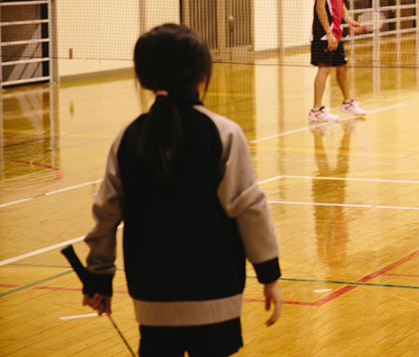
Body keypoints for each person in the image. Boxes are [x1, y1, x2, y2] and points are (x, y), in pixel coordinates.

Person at [81, 23, 283, 357]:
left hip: (151, 298)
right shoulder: (223, 133)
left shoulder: (128, 137)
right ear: (202, 73)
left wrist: (99, 277)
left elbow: (105, 214)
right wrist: (269, 275)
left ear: (144, 76)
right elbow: (249, 208)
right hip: (216, 295)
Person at [309, 0, 367, 123]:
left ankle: (348, 103)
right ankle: (316, 110)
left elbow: (340, 4)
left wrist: (349, 21)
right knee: (324, 69)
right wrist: (329, 33)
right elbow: (320, 8)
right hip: (323, 33)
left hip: (336, 31)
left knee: (342, 67)